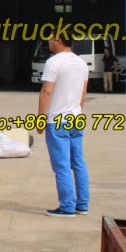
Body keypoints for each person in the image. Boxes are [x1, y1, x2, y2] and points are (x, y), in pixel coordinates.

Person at [37, 31, 89, 218]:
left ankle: (67, 206)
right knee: (78, 162)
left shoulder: (53, 62)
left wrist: (40, 118)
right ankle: (82, 204)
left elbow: (46, 92)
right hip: (75, 118)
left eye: (50, 39)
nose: (48, 42)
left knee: (62, 165)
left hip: (57, 119)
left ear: (58, 40)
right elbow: (83, 92)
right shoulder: (81, 63)